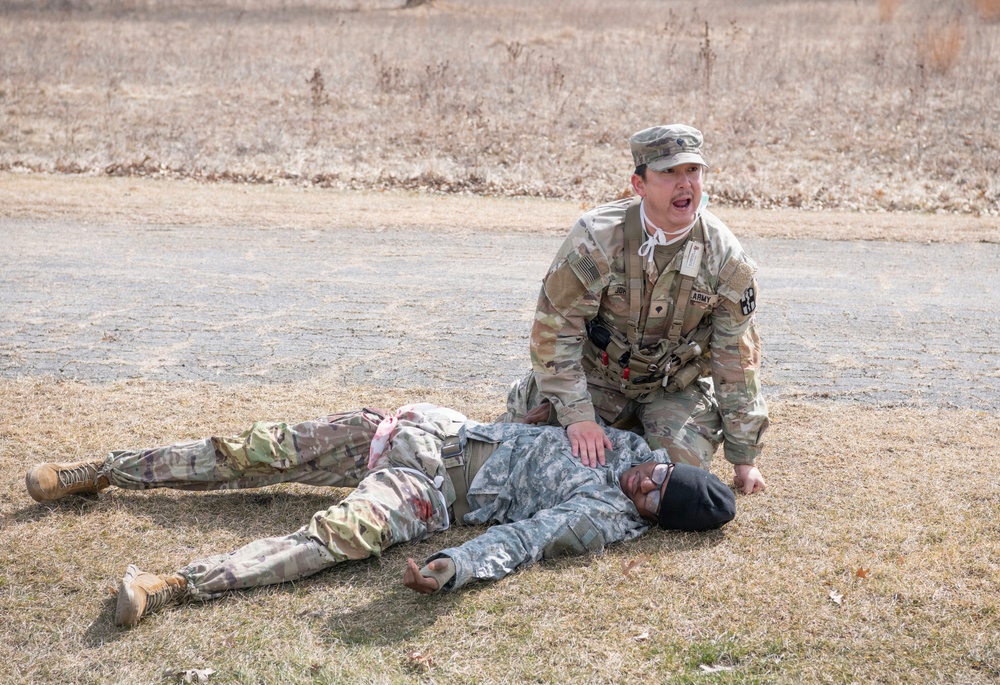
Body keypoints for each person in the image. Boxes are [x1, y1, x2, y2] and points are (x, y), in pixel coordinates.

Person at [25, 402, 736, 627]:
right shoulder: (629, 441)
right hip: (418, 427)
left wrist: (458, 563)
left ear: (652, 517)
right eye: (659, 473)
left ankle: (174, 583)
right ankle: (100, 472)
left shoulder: (607, 516)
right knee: (250, 450)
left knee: (333, 539)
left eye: (651, 494)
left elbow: (526, 538)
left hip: (429, 490)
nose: (644, 478)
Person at [506, 124, 769, 494]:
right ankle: (539, 398)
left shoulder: (724, 256)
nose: (685, 184)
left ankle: (634, 431)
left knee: (671, 483)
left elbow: (736, 356)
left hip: (672, 389)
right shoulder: (597, 238)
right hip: (597, 376)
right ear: (639, 184)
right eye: (669, 173)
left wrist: (745, 457)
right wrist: (577, 417)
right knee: (540, 457)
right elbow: (556, 330)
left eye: (693, 171)